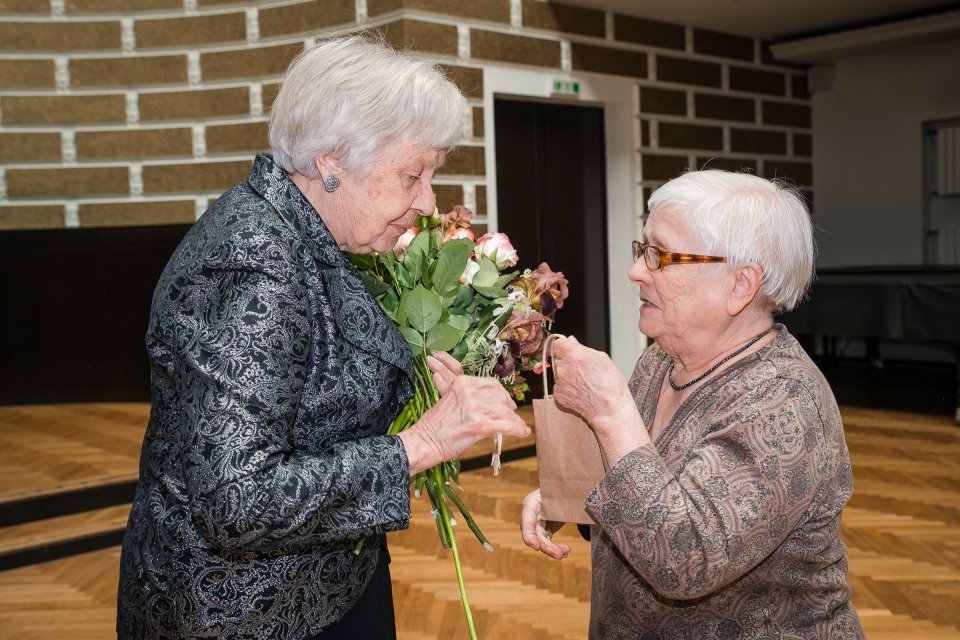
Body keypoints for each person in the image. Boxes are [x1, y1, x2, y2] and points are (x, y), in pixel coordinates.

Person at [117, 35, 529, 640]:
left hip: (323, 584)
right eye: (412, 174)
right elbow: (237, 498)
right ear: (332, 161)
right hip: (246, 613)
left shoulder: (307, 231)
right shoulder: (252, 263)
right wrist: (422, 443)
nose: (428, 201)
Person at [520, 170, 865, 638]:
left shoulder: (783, 402)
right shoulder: (659, 362)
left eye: (660, 255)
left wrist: (609, 410)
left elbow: (684, 560)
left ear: (741, 284)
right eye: (642, 250)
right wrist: (570, 495)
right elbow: (646, 486)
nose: (636, 270)